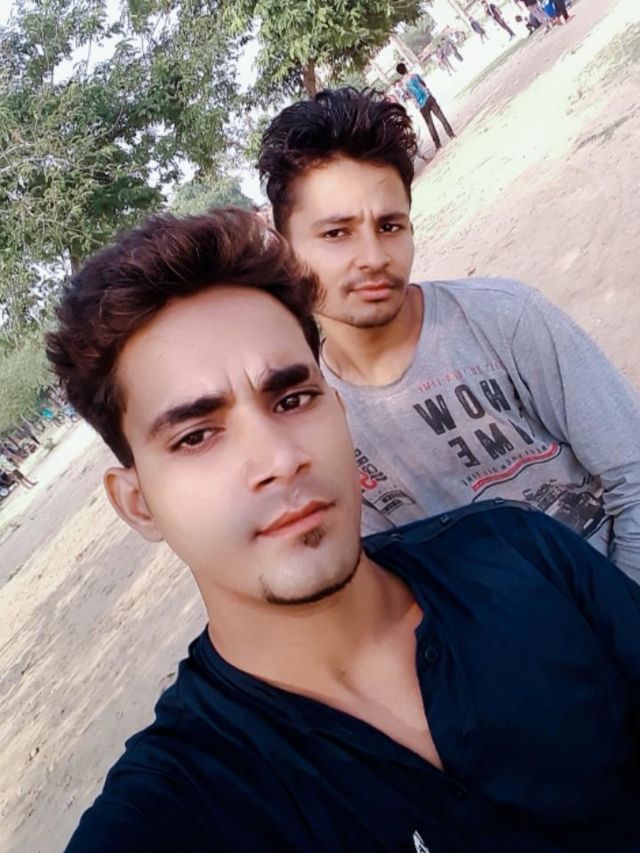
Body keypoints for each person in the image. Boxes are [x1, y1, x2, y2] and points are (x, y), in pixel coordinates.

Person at [48, 207, 640, 852]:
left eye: (292, 399)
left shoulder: (524, 555)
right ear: (138, 504)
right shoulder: (177, 807)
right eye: (196, 436)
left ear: (338, 408)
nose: (280, 460)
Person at [258, 88, 640, 580]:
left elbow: (632, 471)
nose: (374, 257)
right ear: (285, 251)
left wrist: (623, 607)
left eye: (390, 226)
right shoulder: (313, 420)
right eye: (336, 233)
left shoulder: (505, 320)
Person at [395, 62, 455, 153]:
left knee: (430, 124)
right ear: (406, 68)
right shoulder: (415, 76)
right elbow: (424, 84)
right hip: (428, 97)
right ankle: (451, 134)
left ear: (400, 73)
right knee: (441, 116)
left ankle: (438, 145)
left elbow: (407, 96)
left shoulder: (402, 86)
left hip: (421, 105)